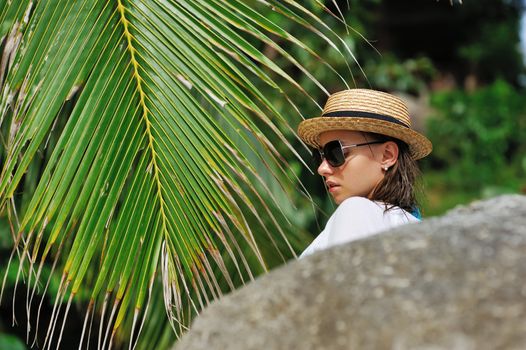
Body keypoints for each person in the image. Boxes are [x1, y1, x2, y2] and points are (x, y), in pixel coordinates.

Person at [297, 89, 432, 258]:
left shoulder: (356, 210)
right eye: (321, 155)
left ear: (387, 155)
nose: (322, 168)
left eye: (335, 153)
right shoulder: (412, 228)